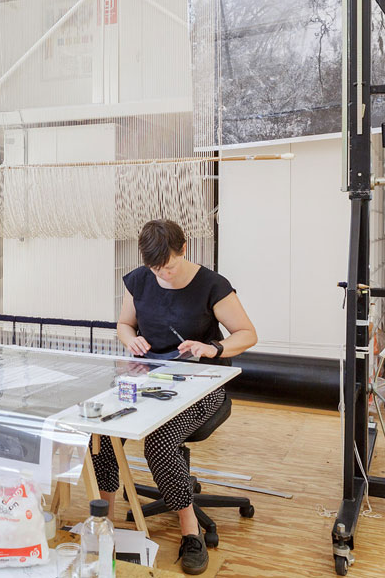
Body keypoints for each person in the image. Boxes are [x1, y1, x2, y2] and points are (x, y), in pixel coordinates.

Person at [94, 219, 257, 575]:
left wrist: (212, 348)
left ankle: (191, 533)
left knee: (159, 442)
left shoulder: (212, 285)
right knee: (103, 436)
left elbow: (247, 334)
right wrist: (129, 340)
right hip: (149, 380)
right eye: (155, 269)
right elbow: (125, 324)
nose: (162, 275)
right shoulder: (138, 280)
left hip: (203, 384)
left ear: (183, 250)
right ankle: (102, 525)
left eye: (167, 266)